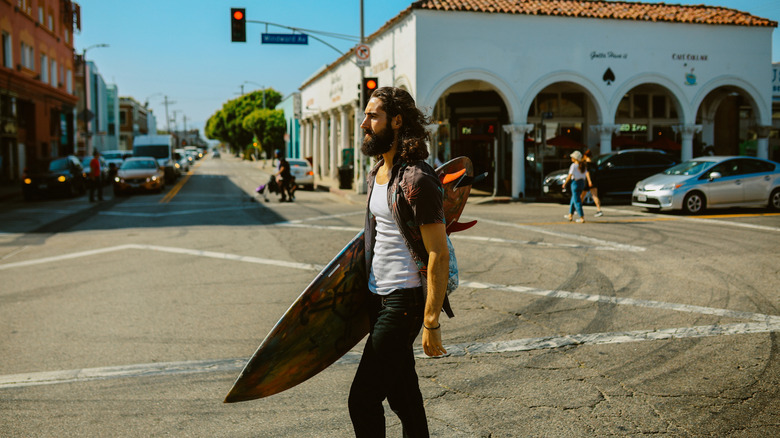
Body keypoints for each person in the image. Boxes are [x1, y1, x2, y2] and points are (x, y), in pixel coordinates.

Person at [348, 86, 449, 437]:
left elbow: (438, 251)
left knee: (362, 399)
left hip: (403, 300)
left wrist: (431, 320)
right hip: (379, 298)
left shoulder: (416, 178)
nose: (364, 123)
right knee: (405, 398)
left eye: (373, 116)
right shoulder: (379, 171)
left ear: (397, 120)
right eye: (365, 115)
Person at [562, 150, 587, 223]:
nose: (571, 158)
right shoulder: (583, 165)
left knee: (577, 200)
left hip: (575, 183)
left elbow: (569, 176)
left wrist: (565, 184)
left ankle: (581, 217)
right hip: (582, 182)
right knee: (573, 199)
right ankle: (570, 214)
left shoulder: (573, 166)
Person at [580, 149, 603, 217]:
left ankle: (577, 209)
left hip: (587, 181)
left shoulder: (585, 164)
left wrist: (589, 181)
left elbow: (587, 173)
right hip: (594, 180)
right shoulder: (594, 164)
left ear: (585, 155)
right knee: (595, 195)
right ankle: (599, 209)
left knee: (582, 196)